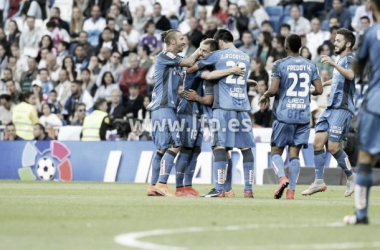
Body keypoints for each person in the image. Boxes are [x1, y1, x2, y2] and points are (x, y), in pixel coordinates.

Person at [187, 29, 256, 198]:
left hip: (224, 107)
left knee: (219, 146)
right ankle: (248, 190)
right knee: (245, 148)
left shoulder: (217, 55)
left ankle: (219, 189)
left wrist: (202, 70)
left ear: (220, 42)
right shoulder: (246, 57)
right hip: (243, 108)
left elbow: (191, 67)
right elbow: (235, 77)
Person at [175, 39, 246, 197]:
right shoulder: (197, 66)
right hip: (189, 110)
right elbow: (191, 67)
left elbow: (217, 82)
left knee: (198, 150)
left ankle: (194, 186)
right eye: (200, 50)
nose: (201, 54)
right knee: (187, 148)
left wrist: (244, 80)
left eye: (204, 51)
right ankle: (180, 187)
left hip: (202, 110)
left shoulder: (212, 65)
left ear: (213, 53)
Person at [259, 34, 323, 200]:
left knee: (275, 151)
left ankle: (282, 178)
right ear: (300, 47)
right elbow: (320, 90)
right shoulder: (310, 65)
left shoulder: (280, 64)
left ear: (286, 46)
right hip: (303, 117)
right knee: (295, 155)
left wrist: (265, 95)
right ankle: (291, 192)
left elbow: (273, 90)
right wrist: (307, 92)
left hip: (284, 115)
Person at [302, 28, 357, 197]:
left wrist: (333, 64)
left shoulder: (350, 58)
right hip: (330, 107)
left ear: (348, 43)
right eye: (335, 40)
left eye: (338, 40)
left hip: (342, 108)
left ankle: (352, 178)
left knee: (333, 147)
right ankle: (319, 181)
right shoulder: (340, 59)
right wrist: (322, 85)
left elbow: (350, 75)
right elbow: (338, 78)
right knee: (318, 143)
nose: (334, 42)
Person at [146, 29, 200, 197]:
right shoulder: (165, 55)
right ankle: (162, 184)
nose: (184, 42)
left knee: (162, 149)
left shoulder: (174, 63)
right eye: (181, 39)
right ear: (172, 42)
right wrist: (201, 49)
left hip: (162, 108)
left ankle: (153, 186)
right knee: (175, 145)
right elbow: (190, 61)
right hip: (163, 107)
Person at [343, 0, 380, 225]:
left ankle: (361, 214)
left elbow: (357, 66)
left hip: (376, 102)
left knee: (365, 157)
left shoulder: (371, 33)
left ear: (370, 6)